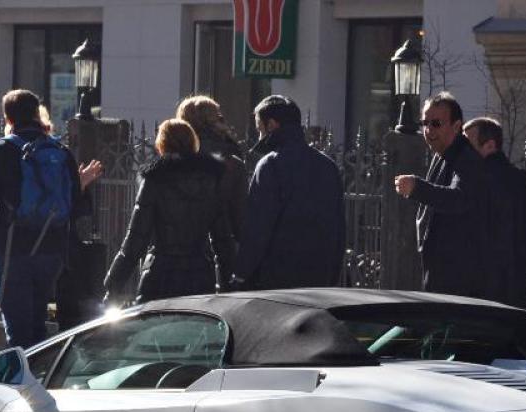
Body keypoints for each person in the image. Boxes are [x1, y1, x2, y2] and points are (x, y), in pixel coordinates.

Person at [0, 89, 92, 349]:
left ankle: (20, 385)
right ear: (37, 113)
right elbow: (77, 204)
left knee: (17, 330)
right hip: (51, 250)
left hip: (13, 247)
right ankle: (38, 376)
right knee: (38, 324)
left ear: (8, 117)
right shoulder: (60, 152)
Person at [102, 119, 233, 304]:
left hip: (160, 275)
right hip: (200, 275)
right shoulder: (211, 180)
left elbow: (135, 240)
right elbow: (222, 239)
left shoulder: (155, 178)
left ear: (162, 144)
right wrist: (229, 284)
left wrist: (113, 285)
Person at [231, 95, 345, 289]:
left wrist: (242, 274)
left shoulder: (270, 165)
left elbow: (257, 227)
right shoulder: (328, 166)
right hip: (319, 276)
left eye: (259, 128)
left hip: (276, 279)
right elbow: (339, 226)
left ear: (272, 125)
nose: (259, 136)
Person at [393, 92, 490, 298]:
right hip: (442, 271)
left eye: (436, 123)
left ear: (456, 126)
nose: (428, 130)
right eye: (425, 123)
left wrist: (417, 188)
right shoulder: (443, 154)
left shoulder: (465, 158)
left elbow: (458, 198)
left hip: (457, 278)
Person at [463, 117, 526, 308]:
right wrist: (518, 267)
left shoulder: (471, 180)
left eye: (468, 144)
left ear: (490, 145)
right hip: (514, 289)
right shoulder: (522, 180)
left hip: (475, 292)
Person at [176, 95, 247, 268]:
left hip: (174, 252)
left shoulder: (172, 160)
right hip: (220, 253)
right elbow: (240, 218)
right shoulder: (233, 162)